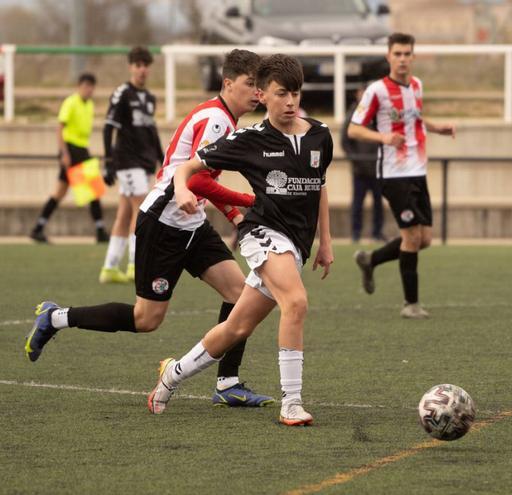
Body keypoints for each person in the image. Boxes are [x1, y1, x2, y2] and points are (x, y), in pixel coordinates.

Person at [26, 49, 275, 408]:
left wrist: (234, 214)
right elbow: (199, 180)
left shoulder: (224, 119)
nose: (257, 93)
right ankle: (55, 317)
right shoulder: (217, 120)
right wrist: (248, 203)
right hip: (163, 224)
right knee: (146, 319)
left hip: (191, 224)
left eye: (260, 86)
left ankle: (228, 383)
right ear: (227, 83)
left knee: (240, 293)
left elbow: (200, 180)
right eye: (250, 84)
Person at [146, 54, 334, 426]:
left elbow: (320, 187)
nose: (291, 102)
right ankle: (291, 403)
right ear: (263, 95)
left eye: (295, 93)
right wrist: (182, 188)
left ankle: (172, 375)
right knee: (295, 302)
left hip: (296, 245)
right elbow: (188, 167)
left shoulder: (319, 135)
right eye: (282, 94)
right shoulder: (249, 140)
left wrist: (325, 242)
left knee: (237, 327)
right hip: (262, 234)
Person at [348, 32, 456, 319]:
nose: (403, 59)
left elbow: (415, 118)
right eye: (397, 54)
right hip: (393, 174)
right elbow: (353, 128)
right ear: (388, 56)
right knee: (410, 237)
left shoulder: (417, 85)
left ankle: (370, 260)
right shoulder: (377, 91)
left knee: (425, 239)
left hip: (418, 170)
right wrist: (384, 138)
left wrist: (437, 128)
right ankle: (411, 304)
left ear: (413, 56)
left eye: (407, 54)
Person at [99, 46, 164, 284]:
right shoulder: (122, 93)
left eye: (146, 65)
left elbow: (151, 130)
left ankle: (109, 268)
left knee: (125, 213)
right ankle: (135, 265)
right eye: (138, 65)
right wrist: (107, 162)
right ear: (131, 67)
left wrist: (162, 157)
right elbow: (108, 127)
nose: (142, 70)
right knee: (142, 210)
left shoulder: (149, 98)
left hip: (144, 161)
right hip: (127, 160)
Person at [30, 73, 109, 244]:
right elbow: (60, 128)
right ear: (79, 86)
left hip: (82, 150)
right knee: (90, 190)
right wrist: (64, 153)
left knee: (63, 192)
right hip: (71, 150)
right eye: (86, 86)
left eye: (91, 87)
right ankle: (100, 230)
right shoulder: (71, 102)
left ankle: (38, 228)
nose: (88, 90)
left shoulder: (90, 105)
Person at [342, 85, 384, 243]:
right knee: (358, 202)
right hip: (360, 168)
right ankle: (356, 233)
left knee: (378, 202)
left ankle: (377, 233)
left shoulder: (378, 113)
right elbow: (345, 141)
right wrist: (355, 159)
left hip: (377, 167)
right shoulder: (352, 114)